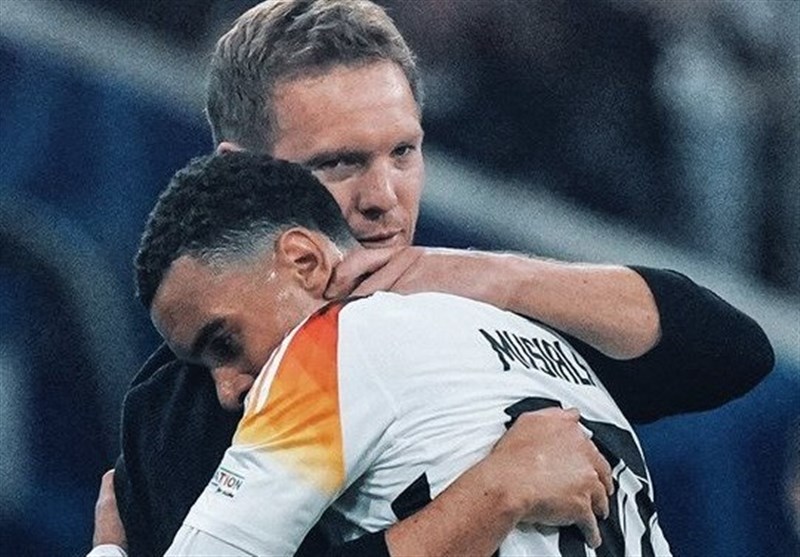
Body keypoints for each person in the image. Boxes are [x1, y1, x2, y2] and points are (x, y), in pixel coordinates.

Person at [89, 1, 774, 556]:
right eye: (338, 163)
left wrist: (489, 275)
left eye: (403, 152)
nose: (383, 197)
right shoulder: (196, 399)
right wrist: (493, 493)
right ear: (243, 172)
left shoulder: (468, 314)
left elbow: (731, 354)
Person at [141, 151, 670, 556]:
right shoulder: (552, 352)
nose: (227, 390)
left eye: (224, 342)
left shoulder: (332, 345)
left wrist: (496, 495)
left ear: (304, 261)